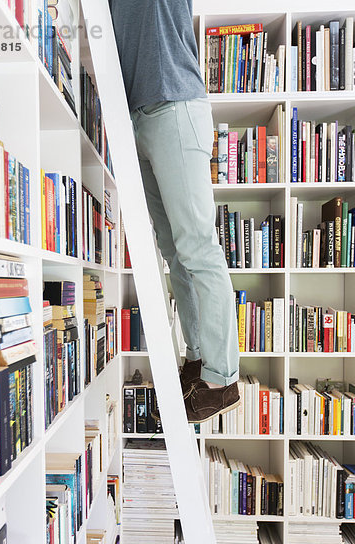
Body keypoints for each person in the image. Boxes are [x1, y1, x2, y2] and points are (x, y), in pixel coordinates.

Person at [109, 0, 240, 423]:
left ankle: (223, 380)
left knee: (199, 248)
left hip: (175, 104)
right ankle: (198, 358)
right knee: (175, 252)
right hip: (135, 117)